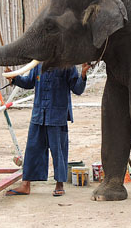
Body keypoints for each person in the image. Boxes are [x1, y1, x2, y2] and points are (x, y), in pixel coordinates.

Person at [6, 63, 91, 197]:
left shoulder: (66, 64)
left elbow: (78, 89)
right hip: (39, 114)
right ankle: (26, 184)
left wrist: (83, 74)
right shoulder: (37, 64)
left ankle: (59, 184)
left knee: (59, 151)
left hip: (57, 115)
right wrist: (14, 77)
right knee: (32, 149)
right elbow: (29, 82)